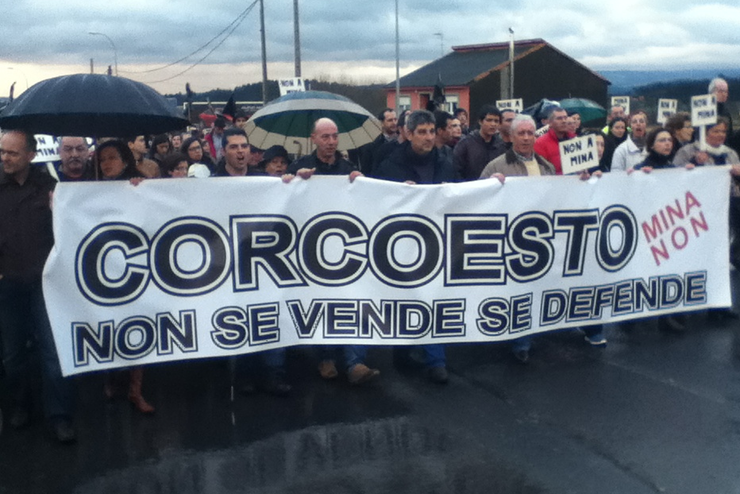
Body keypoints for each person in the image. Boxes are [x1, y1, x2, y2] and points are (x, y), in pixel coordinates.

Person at [481, 115, 606, 361]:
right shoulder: (496, 166)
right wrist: (489, 185)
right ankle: (521, 342)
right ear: (512, 136)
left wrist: (579, 183)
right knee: (520, 291)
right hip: (513, 240)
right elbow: (478, 196)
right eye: (521, 133)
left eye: (530, 133)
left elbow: (558, 199)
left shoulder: (547, 167)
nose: (527, 138)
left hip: (543, 239)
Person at [283, 118, 378, 385]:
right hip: (312, 249)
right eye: (325, 137)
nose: (331, 142)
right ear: (314, 138)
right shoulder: (300, 167)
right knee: (321, 303)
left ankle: (355, 362)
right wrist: (292, 182)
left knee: (351, 301)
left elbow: (364, 202)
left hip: (345, 246)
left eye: (335, 136)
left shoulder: (348, 168)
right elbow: (285, 202)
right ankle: (325, 357)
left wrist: (362, 183)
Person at [0, 129, 76, 443]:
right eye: (2, 151)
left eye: (12, 153)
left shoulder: (51, 188)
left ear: (31, 155)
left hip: (46, 287)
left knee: (53, 355)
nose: (5, 158)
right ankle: (21, 406)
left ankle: (59, 417)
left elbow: (76, 221)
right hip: (8, 286)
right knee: (13, 356)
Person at [375, 110, 457, 383]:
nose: (428, 137)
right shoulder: (390, 165)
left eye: (432, 132)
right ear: (408, 134)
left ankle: (437, 360)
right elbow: (375, 202)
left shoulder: (446, 161)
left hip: (438, 243)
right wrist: (398, 192)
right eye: (421, 132)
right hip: (403, 244)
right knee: (407, 299)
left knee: (433, 298)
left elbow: (463, 193)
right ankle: (403, 350)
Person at [210, 127, 291, 393]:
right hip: (229, 262)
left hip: (263, 260)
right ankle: (243, 374)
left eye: (244, 146)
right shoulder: (210, 184)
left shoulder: (263, 179)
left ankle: (275, 373)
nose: (240, 151)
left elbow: (289, 196)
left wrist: (299, 181)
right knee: (238, 315)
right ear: (224, 152)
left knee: (269, 313)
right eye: (234, 147)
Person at [453, 104, 506, 180]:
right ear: (480, 121)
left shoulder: (501, 145)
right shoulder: (465, 144)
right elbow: (457, 172)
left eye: (496, 121)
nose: (493, 124)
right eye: (489, 120)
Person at [534, 106, 575, 175]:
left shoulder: (575, 139)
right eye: (559, 118)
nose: (564, 121)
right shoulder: (540, 143)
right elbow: (542, 172)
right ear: (550, 122)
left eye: (565, 117)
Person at [360, 108, 397, 175]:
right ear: (382, 123)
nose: (394, 123)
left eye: (395, 119)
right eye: (390, 120)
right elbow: (366, 170)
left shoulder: (402, 142)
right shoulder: (372, 145)